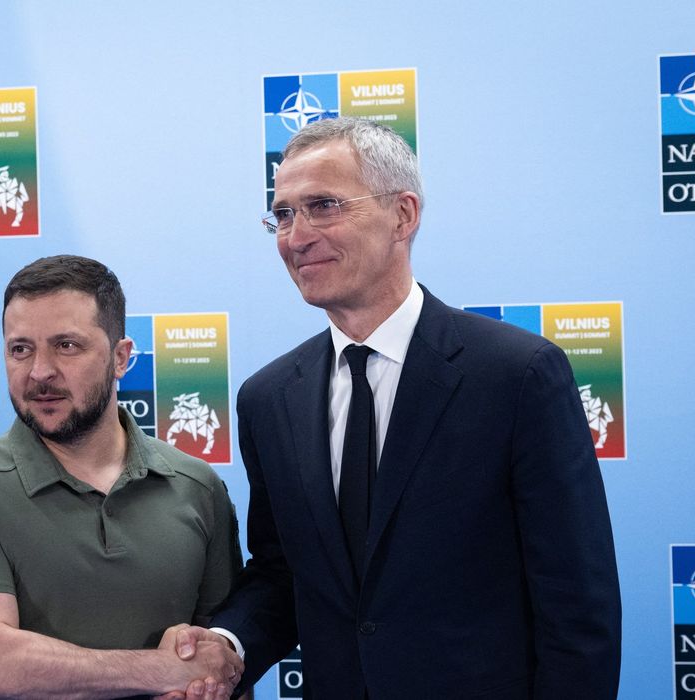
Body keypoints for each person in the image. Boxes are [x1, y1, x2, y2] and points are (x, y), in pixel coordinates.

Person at [167, 118, 622, 698]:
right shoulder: (268, 398)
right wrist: (227, 645)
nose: (296, 237)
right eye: (283, 215)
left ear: (403, 215)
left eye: (323, 206)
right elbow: (285, 574)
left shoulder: (516, 375)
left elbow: (577, 602)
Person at [0, 254, 244, 699]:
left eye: (67, 346)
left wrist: (203, 679)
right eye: (20, 349)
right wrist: (164, 670)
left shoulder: (197, 486)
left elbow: (219, 665)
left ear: (121, 358)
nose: (40, 372)